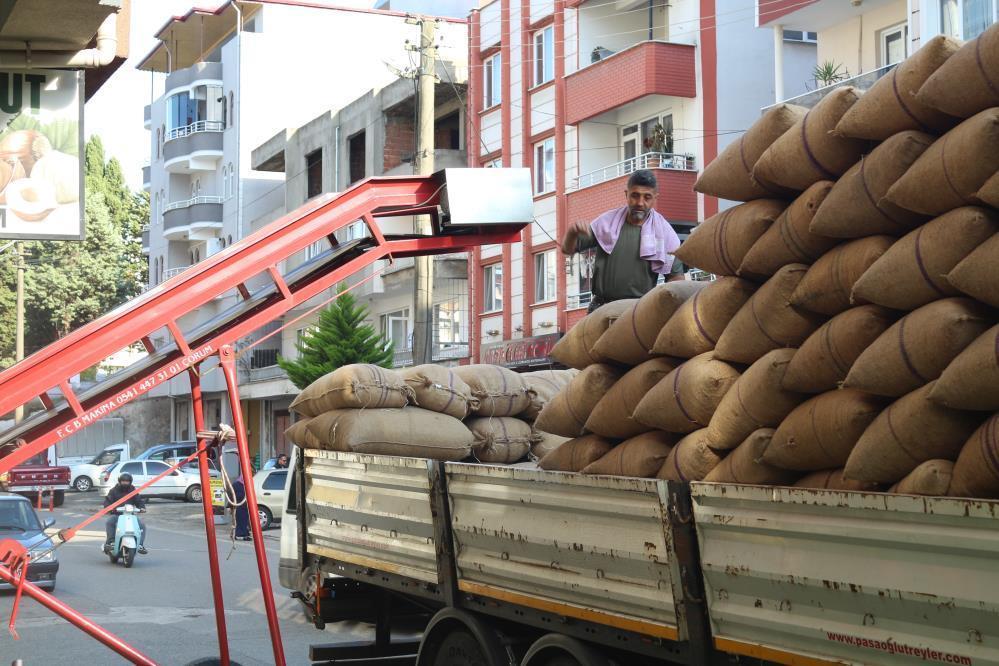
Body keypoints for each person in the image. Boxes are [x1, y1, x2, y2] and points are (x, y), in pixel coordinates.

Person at [561, 169, 684, 312]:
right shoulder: (607, 223)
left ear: (655, 198)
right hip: (601, 308)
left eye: (647, 197)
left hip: (639, 312)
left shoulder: (666, 235)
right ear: (626, 194)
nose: (640, 203)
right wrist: (572, 232)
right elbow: (567, 249)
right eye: (635, 195)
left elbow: (676, 279)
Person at [103, 473, 147, 555]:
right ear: (120, 481)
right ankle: (111, 542)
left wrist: (142, 507)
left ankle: (140, 544)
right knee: (109, 522)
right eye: (123, 481)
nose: (125, 483)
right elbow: (108, 501)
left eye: (127, 481)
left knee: (141, 525)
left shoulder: (133, 491)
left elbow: (139, 500)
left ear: (130, 482)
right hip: (117, 515)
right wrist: (108, 508)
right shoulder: (113, 491)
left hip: (130, 515)